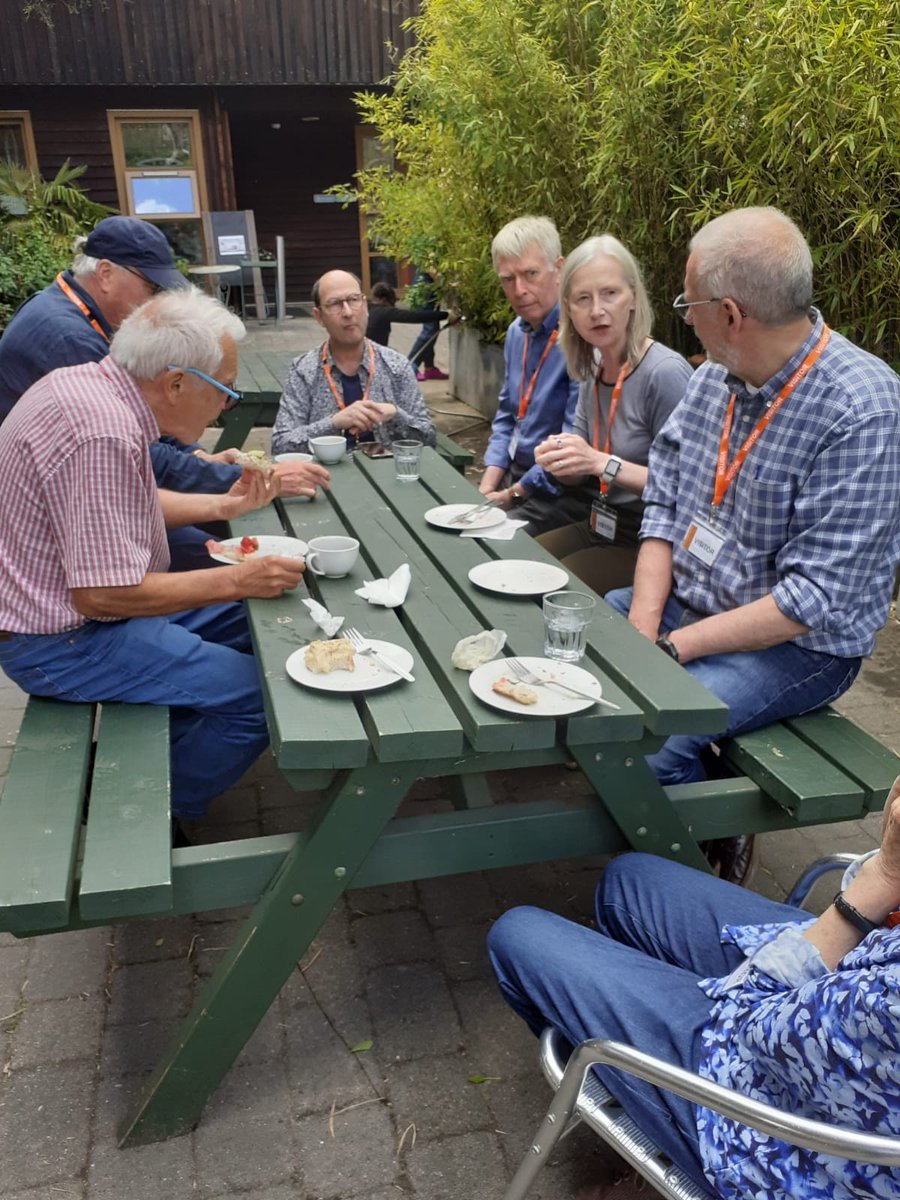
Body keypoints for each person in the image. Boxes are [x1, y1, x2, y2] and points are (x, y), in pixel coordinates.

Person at [604, 207, 900, 880]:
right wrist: (644, 630)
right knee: (585, 644)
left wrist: (671, 652)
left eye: (688, 302)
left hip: (798, 647)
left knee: (651, 740)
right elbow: (665, 504)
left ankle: (677, 882)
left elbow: (809, 603)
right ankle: (698, 813)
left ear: (731, 312)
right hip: (690, 609)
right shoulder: (715, 375)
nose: (683, 316)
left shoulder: (865, 409)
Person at [488, 777, 900, 1200]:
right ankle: (648, 1110)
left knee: (517, 935)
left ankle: (667, 1147)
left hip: (780, 1119)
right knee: (627, 881)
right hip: (851, 983)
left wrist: (879, 879)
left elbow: (757, 1031)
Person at [0, 290, 306, 823]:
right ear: (176, 382)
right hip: (59, 640)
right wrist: (238, 580)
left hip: (72, 614)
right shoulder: (102, 430)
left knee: (266, 621)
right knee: (261, 699)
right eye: (224, 391)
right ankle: (141, 813)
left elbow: (118, 505)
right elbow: (102, 595)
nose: (227, 406)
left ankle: (170, 739)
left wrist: (224, 502)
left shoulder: (88, 386)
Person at [0, 216, 323, 568]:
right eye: (154, 289)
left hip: (87, 507)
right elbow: (138, 452)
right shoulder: (69, 339)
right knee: (229, 564)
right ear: (106, 273)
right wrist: (248, 480)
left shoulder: (62, 311)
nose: (159, 303)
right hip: (59, 550)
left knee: (228, 541)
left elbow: (148, 419)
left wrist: (200, 460)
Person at [533, 235, 692, 593]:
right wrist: (560, 458)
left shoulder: (664, 373)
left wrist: (599, 462)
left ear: (633, 297)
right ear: (569, 310)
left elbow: (687, 488)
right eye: (582, 299)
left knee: (550, 588)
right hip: (601, 521)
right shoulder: (593, 366)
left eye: (610, 294)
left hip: (653, 538)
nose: (596, 310)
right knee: (517, 564)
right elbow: (580, 472)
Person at [478, 216, 580, 535]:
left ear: (559, 268)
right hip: (513, 476)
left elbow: (572, 442)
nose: (519, 290)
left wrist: (513, 494)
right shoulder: (515, 333)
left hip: (560, 490)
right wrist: (485, 488)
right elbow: (507, 415)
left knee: (486, 545)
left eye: (530, 274)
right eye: (508, 279)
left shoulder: (580, 336)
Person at [272, 269, 436, 454]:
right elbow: (280, 446)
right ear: (319, 317)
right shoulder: (304, 370)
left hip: (389, 476)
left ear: (365, 306)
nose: (348, 312)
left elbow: (428, 438)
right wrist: (333, 423)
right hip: (325, 478)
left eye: (353, 300)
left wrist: (396, 414)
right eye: (335, 304)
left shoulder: (396, 365)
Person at [365, 281, 454, 364]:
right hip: (373, 357)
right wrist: (446, 315)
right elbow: (414, 316)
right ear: (384, 300)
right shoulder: (384, 311)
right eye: (392, 303)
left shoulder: (365, 308)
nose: (393, 307)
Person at [406, 270, 449, 380]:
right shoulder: (430, 253)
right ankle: (410, 365)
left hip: (430, 289)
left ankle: (429, 368)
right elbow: (431, 269)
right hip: (426, 290)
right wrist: (448, 285)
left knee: (432, 328)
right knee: (430, 329)